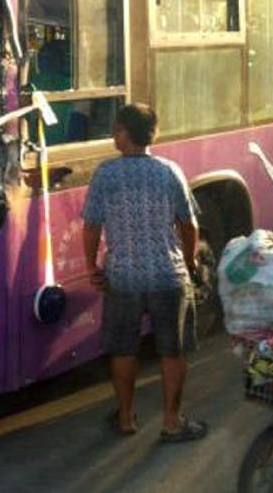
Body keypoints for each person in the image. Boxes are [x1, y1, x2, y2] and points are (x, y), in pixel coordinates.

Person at [81, 102, 206, 443]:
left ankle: (125, 419)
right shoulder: (170, 171)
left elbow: (91, 226)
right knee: (172, 350)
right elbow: (189, 224)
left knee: (124, 350)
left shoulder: (106, 174)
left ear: (124, 134)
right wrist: (190, 262)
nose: (113, 134)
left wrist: (92, 267)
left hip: (123, 279)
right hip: (169, 276)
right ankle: (171, 421)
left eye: (116, 129)